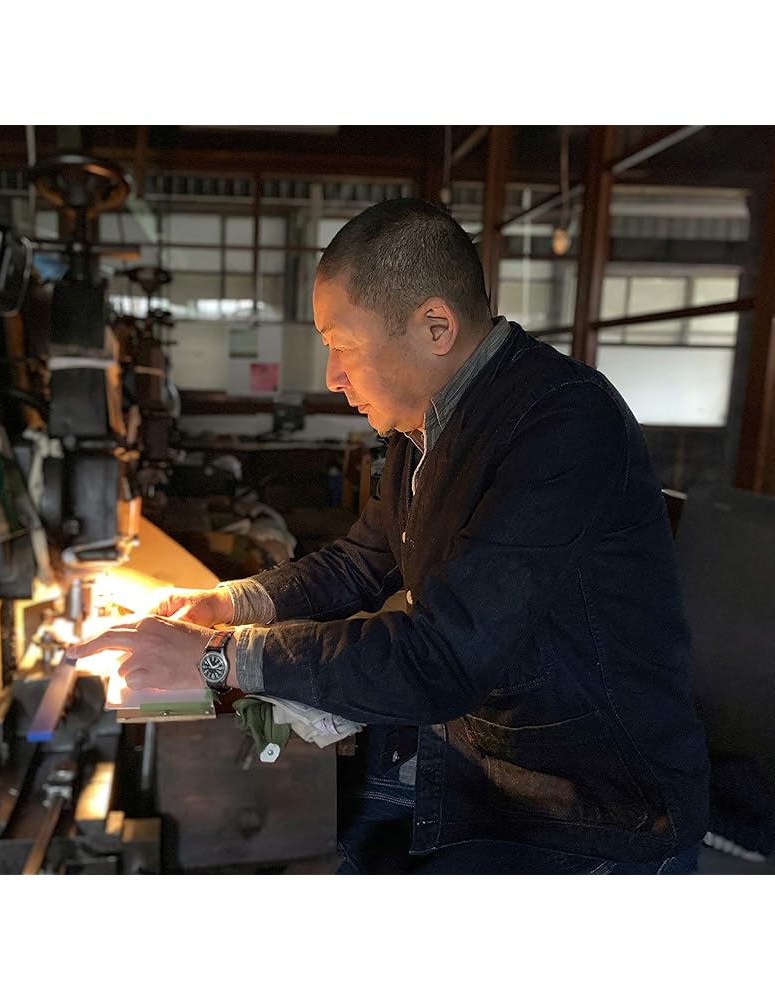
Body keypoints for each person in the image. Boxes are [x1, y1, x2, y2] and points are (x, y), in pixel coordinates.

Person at [72, 198, 710, 874]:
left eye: (342, 347)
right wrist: (231, 602)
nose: (331, 377)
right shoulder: (422, 427)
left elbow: (441, 659)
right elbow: (359, 564)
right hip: (475, 763)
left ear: (435, 326)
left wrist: (216, 659)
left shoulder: (562, 426)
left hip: (588, 813)